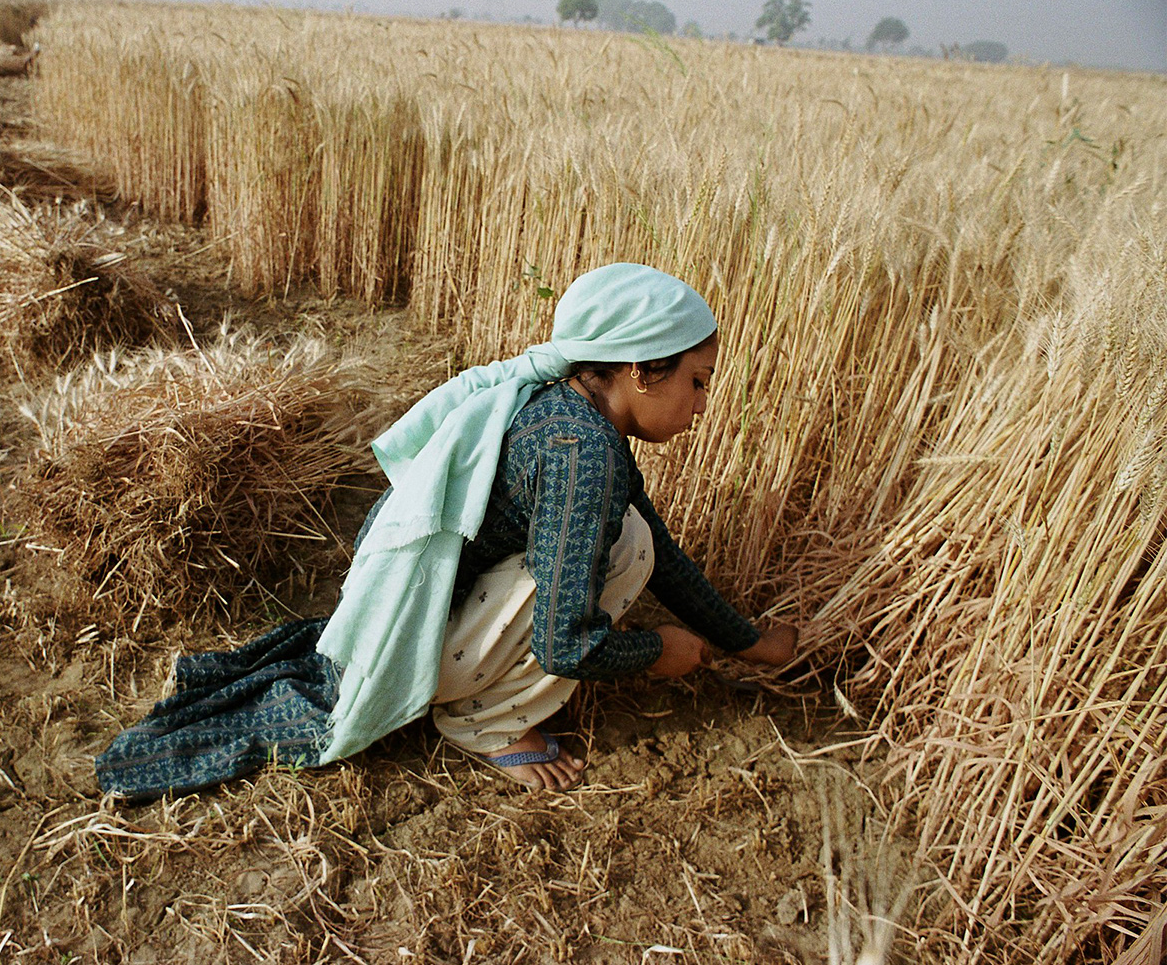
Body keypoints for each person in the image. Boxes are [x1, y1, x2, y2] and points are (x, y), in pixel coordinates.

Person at [96, 263, 798, 798]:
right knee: (617, 555)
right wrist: (660, 652)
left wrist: (747, 641)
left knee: (633, 542)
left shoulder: (567, 409)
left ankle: (471, 683)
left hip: (416, 606)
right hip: (415, 642)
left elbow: (664, 554)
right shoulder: (580, 454)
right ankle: (483, 723)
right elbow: (565, 644)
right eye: (699, 382)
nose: (704, 404)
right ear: (645, 372)